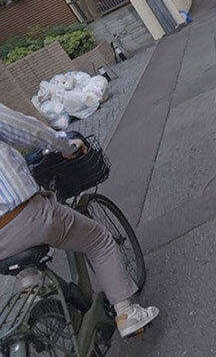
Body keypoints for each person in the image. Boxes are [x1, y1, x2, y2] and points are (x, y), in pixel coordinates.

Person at [0, 102, 159, 338]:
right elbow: (26, 130)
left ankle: (34, 288)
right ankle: (127, 313)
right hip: (24, 215)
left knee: (24, 267)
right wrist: (65, 145)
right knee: (98, 241)